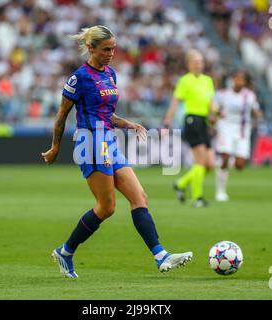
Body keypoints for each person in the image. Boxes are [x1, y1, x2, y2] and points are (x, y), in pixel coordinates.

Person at [41, 25, 192, 279]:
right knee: (107, 207)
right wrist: (56, 146)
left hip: (109, 140)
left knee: (140, 197)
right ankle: (66, 252)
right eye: (106, 49)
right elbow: (61, 115)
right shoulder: (80, 77)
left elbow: (105, 113)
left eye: (113, 48)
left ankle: (160, 255)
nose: (111, 53)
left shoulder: (110, 74)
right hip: (90, 143)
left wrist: (127, 124)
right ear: (91, 48)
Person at [163, 49, 216, 207]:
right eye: (195, 62)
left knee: (210, 164)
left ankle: (181, 183)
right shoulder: (185, 81)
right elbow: (175, 102)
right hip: (192, 121)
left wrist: (218, 113)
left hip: (204, 122)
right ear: (189, 64)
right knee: (200, 161)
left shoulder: (208, 80)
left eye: (200, 62)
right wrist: (167, 122)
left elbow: (211, 104)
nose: (198, 65)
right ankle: (197, 198)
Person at [214, 70, 262, 201]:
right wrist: (216, 116)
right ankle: (220, 191)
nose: (238, 81)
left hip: (242, 130)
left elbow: (256, 110)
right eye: (236, 78)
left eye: (241, 79)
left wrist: (258, 114)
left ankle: (223, 164)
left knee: (240, 165)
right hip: (226, 128)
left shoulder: (249, 96)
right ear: (232, 79)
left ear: (246, 82)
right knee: (225, 156)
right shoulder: (223, 94)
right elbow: (214, 109)